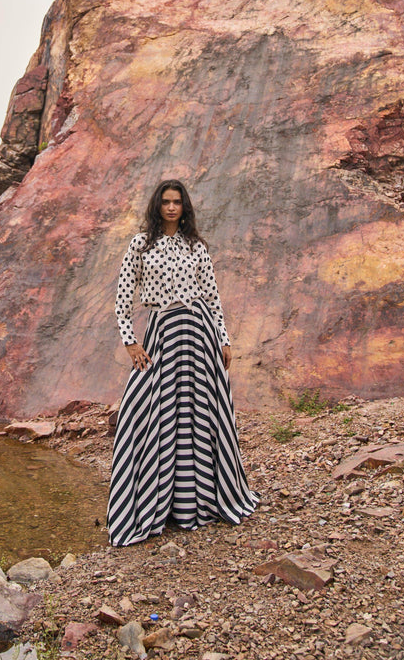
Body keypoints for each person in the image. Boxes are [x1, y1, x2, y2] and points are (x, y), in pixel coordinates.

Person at [106, 179, 258, 547]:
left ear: (184, 207)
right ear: (157, 206)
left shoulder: (197, 247)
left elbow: (212, 295)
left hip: (199, 331)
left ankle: (199, 501)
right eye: (166, 202)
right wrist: (130, 342)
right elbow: (123, 298)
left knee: (200, 413)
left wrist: (223, 336)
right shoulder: (140, 245)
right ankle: (152, 504)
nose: (171, 208)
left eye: (177, 202)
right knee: (150, 410)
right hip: (163, 330)